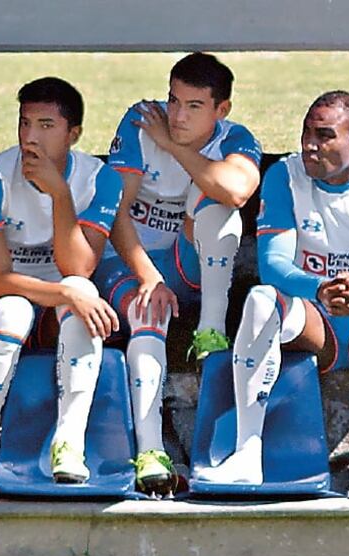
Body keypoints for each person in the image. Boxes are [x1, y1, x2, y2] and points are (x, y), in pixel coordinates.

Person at [195, 91, 349, 485]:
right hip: (317, 324)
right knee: (262, 300)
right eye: (306, 133)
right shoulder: (285, 176)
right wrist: (320, 288)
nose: (310, 145)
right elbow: (272, 266)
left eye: (325, 136)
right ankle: (247, 452)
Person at [98, 52, 262, 494]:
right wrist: (147, 274)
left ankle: (210, 328)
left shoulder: (236, 137)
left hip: (185, 266)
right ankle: (151, 450)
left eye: (193, 106)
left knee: (219, 208)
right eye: (174, 100)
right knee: (148, 311)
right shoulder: (140, 120)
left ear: (221, 110)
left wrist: (173, 147)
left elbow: (236, 190)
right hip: (129, 265)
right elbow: (114, 214)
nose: (176, 115)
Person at [0, 77, 122, 491]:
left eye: (46, 126)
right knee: (17, 308)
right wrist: (67, 291)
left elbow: (79, 266)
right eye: (24, 123)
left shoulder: (99, 178)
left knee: (81, 294)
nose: (31, 138)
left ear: (74, 134)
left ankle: (69, 442)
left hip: (57, 312)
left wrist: (60, 196)